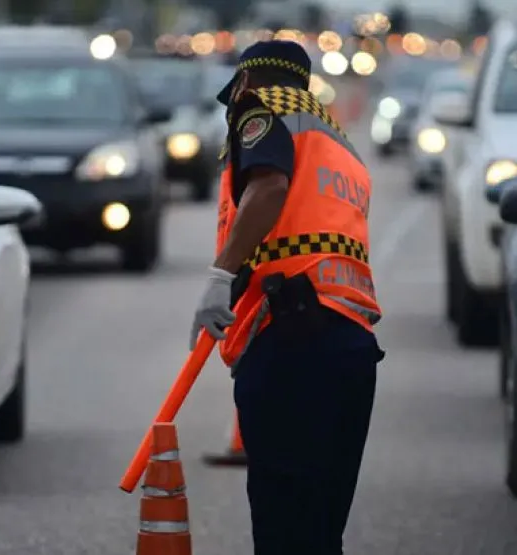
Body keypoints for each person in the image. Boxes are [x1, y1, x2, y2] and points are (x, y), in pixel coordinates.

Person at [188, 40, 385, 555]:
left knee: (283, 526)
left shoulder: (263, 109)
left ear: (245, 82)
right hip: (352, 346)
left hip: (291, 342)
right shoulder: (338, 144)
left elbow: (270, 187)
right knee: (320, 528)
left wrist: (220, 274)